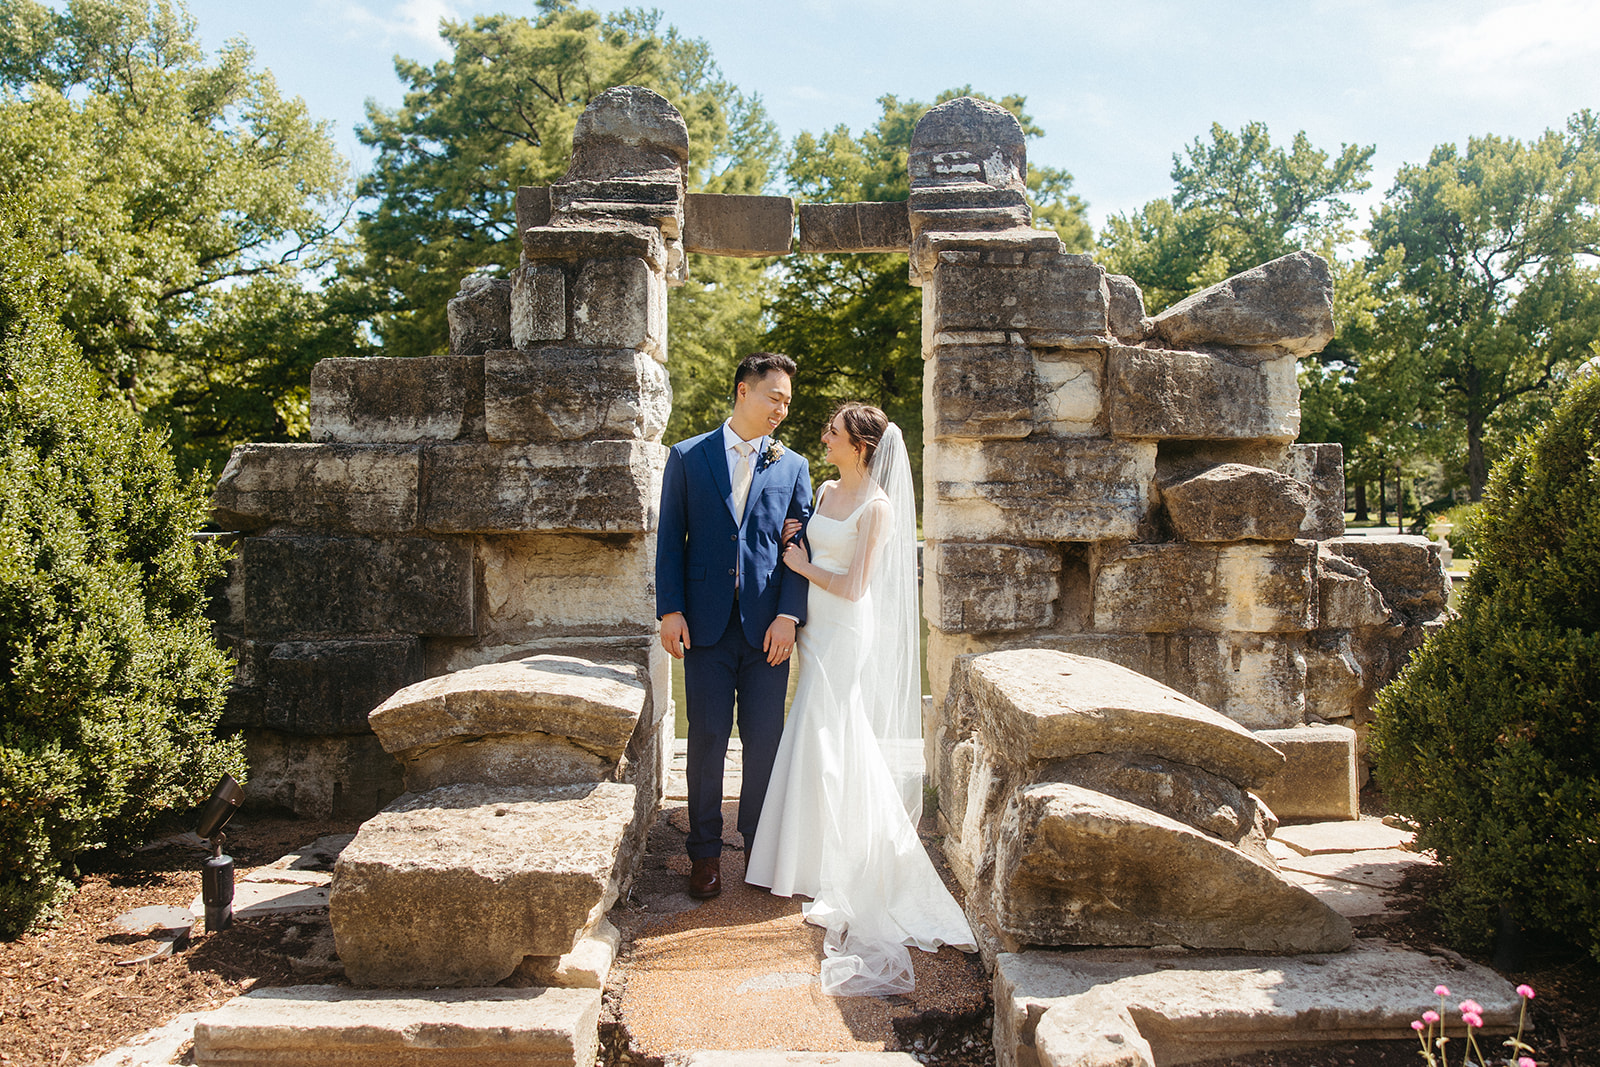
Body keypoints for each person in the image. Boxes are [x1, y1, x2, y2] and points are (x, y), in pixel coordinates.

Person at [745, 402, 975, 996]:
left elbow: (854, 586)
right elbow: (806, 547)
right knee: (822, 729)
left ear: (862, 446)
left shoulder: (878, 508)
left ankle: (831, 862)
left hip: (846, 628)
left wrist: (803, 563)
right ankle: (804, 853)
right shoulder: (823, 490)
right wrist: (795, 546)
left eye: (833, 431)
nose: (824, 436)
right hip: (812, 624)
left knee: (825, 726)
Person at [655, 352, 814, 900]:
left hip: (768, 628)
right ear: (743, 391)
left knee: (765, 742)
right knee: (706, 741)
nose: (781, 409)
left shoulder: (792, 464)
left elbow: (800, 547)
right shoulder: (687, 455)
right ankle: (703, 854)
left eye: (788, 402)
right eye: (775, 396)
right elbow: (670, 538)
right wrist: (669, 610)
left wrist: (790, 615)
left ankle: (757, 847)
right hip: (703, 626)